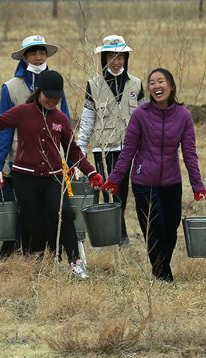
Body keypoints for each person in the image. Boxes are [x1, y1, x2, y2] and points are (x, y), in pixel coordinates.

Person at [0, 70, 104, 279]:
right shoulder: (22, 112)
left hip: (54, 177)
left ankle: (76, 262)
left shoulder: (61, 119)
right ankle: (37, 265)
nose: (52, 101)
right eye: (49, 97)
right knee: (35, 223)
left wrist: (91, 172)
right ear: (39, 92)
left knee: (63, 214)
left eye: (57, 98)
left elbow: (72, 151)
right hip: (25, 178)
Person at [0, 35, 70, 260]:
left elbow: (65, 121)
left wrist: (70, 157)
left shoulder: (56, 82)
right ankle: (26, 252)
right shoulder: (11, 87)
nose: (38, 56)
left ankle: (53, 252)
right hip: (19, 158)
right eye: (33, 53)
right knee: (25, 209)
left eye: (41, 52)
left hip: (50, 159)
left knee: (52, 209)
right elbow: (1, 127)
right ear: (24, 56)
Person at [101, 68, 206, 283]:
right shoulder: (140, 114)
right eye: (152, 82)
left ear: (170, 86)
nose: (156, 86)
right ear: (148, 89)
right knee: (154, 230)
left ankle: (160, 270)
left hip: (171, 182)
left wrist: (198, 186)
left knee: (171, 230)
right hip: (144, 182)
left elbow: (189, 154)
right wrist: (114, 179)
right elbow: (128, 150)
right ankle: (162, 275)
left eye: (161, 81)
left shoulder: (183, 116)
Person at [77, 35, 144, 246]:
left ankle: (117, 230)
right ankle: (118, 234)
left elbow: (143, 116)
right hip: (103, 148)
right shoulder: (93, 84)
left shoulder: (136, 83)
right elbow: (87, 119)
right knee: (110, 189)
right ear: (104, 58)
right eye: (112, 56)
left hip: (129, 147)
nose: (116, 61)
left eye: (121, 57)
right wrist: (80, 148)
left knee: (123, 190)